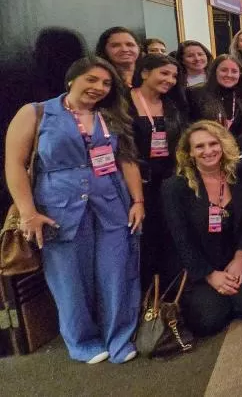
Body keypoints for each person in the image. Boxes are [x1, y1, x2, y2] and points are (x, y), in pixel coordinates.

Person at [6, 56, 143, 364]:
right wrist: (28, 212)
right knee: (68, 277)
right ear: (72, 79)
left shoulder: (111, 115)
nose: (99, 88)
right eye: (92, 80)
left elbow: (127, 160)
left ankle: (119, 337)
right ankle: (82, 341)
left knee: (116, 271)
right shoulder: (37, 113)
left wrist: (138, 201)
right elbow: (14, 164)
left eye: (107, 83)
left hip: (111, 203)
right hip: (58, 209)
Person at [160, 121, 242, 336]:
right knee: (209, 319)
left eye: (213, 143)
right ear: (189, 152)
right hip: (197, 264)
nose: (208, 151)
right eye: (199, 147)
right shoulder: (175, 187)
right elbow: (181, 240)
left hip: (233, 255)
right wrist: (209, 275)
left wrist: (241, 256)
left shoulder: (240, 173)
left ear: (223, 145)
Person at [129, 54, 188, 286]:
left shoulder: (171, 104)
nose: (170, 80)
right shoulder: (125, 103)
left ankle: (170, 295)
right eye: (164, 73)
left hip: (168, 179)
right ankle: (146, 300)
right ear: (144, 73)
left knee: (169, 234)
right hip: (136, 182)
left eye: (174, 75)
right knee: (144, 240)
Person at [188, 55, 242, 150]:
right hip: (205, 153)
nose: (229, 75)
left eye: (234, 71)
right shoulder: (195, 93)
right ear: (214, 72)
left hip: (235, 155)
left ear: (240, 74)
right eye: (224, 70)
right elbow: (189, 128)